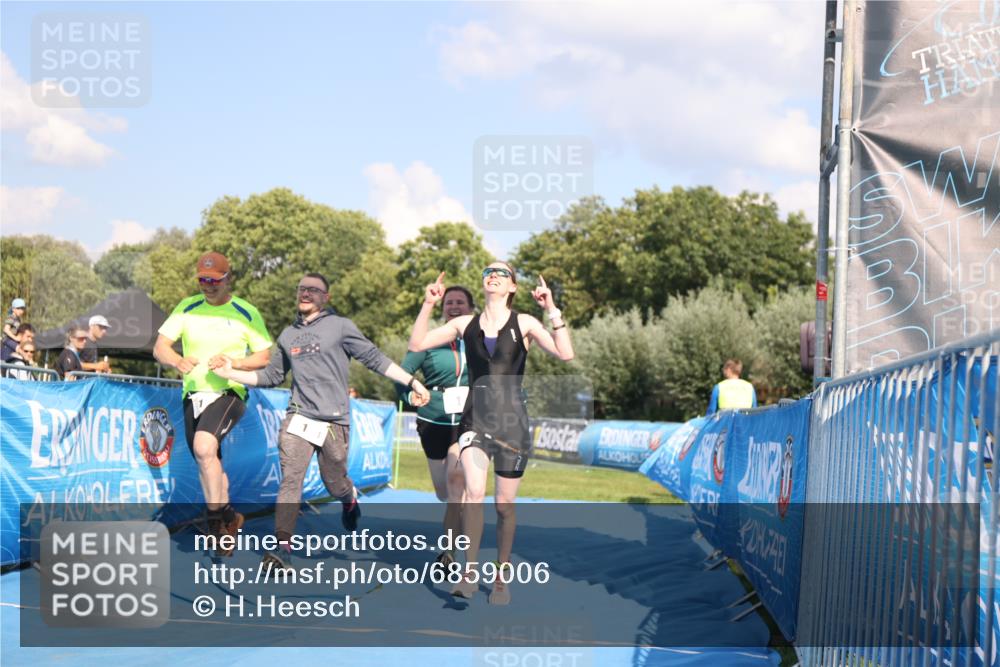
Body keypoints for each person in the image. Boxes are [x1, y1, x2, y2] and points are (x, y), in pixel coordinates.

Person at [212, 272, 430, 573]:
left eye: (314, 290)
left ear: (325, 297)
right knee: (290, 480)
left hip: (334, 421)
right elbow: (271, 377)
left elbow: (375, 359)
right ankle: (282, 548)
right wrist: (230, 373)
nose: (306, 293)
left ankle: (349, 499)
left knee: (335, 481)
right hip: (298, 417)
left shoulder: (341, 327)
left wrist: (412, 383)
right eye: (302, 289)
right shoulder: (288, 335)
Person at [408, 262, 574, 605]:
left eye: (502, 273)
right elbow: (418, 342)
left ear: (512, 287)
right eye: (488, 272)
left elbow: (566, 353)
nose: (493, 276)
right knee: (472, 491)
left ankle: (501, 575)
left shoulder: (525, 323)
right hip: (475, 420)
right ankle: (469, 573)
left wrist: (552, 310)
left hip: (512, 423)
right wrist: (428, 304)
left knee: (504, 506)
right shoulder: (463, 323)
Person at [153, 252, 272, 555]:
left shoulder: (246, 312)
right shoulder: (187, 307)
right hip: (193, 394)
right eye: (202, 280)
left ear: (227, 278)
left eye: (214, 281)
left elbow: (264, 356)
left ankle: (215, 521)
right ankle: (231, 517)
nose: (207, 286)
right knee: (209, 462)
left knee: (204, 448)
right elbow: (160, 347)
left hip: (230, 392)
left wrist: (235, 361)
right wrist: (177, 360)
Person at [396, 285, 475, 567]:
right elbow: (401, 374)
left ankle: (449, 552)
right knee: (444, 491)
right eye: (449, 303)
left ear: (471, 309)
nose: (454, 306)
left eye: (460, 303)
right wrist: (410, 395)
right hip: (433, 419)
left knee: (457, 484)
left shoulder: (481, 340)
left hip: (468, 419)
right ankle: (457, 525)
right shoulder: (431, 341)